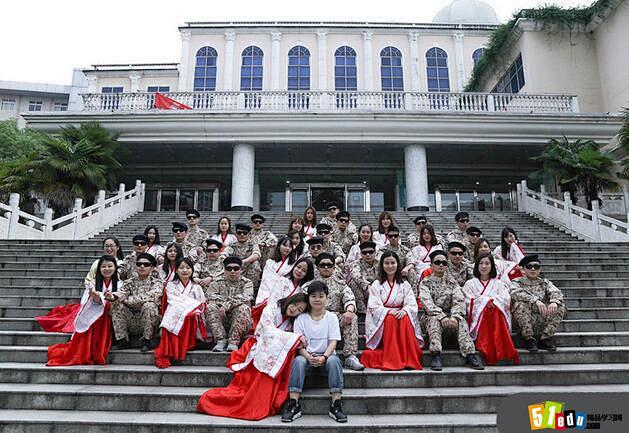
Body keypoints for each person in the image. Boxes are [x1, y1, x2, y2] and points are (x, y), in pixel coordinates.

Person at [197, 291, 308, 420]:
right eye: (295, 305)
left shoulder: (292, 322)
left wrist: (294, 340)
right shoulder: (271, 309)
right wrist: (295, 338)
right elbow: (267, 330)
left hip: (275, 350)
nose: (295, 310)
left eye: (300, 310)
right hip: (260, 344)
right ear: (290, 300)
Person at [282, 281, 347, 423]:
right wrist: (308, 357)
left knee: (335, 360)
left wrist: (324, 357)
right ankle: (294, 403)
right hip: (307, 359)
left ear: (327, 298)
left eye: (321, 296)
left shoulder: (332, 317)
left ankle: (336, 404)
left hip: (326, 359)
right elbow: (299, 345)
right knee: (298, 361)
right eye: (313, 296)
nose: (317, 299)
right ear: (309, 298)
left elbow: (333, 342)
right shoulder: (301, 318)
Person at [37, 237, 123, 333]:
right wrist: (94, 293)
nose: (109, 248)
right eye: (106, 246)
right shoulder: (97, 263)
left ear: (118, 247)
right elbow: (89, 280)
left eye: (111, 246)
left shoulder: (122, 263)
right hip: (98, 295)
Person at [47, 255, 121, 366]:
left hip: (111, 313)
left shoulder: (121, 284)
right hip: (94, 311)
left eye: (110, 266)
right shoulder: (93, 283)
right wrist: (95, 297)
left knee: (103, 313)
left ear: (115, 268)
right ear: (99, 269)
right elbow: (86, 301)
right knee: (92, 318)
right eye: (103, 266)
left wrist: (106, 300)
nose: (106, 269)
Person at [419, 250, 484, 371]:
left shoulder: (453, 282)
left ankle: (470, 354)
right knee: (434, 320)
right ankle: (436, 354)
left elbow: (459, 301)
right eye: (437, 262)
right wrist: (441, 316)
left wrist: (455, 316)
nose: (441, 265)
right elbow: (427, 303)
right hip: (431, 317)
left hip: (451, 316)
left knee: (461, 321)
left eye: (444, 262)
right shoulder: (425, 282)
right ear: (431, 265)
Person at [361, 251, 423, 371]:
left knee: (405, 318)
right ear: (382, 265)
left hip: (400, 314)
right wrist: (388, 312)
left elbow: (411, 303)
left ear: (398, 264)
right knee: (390, 319)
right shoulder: (376, 284)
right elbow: (373, 306)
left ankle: (408, 358)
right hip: (385, 317)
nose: (390, 266)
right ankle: (392, 359)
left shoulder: (405, 284)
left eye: (393, 263)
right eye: (387, 263)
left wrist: (405, 310)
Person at [462, 254, 519, 366]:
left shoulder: (499, 284)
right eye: (481, 263)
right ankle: (487, 347)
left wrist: (491, 303)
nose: (484, 266)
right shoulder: (469, 284)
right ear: (476, 266)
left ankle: (498, 347)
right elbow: (468, 301)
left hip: (496, 315)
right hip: (479, 318)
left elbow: (506, 300)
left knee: (495, 312)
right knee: (488, 312)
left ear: (492, 266)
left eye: (487, 263)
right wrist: (485, 302)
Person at [309, 253, 363, 371]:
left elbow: (349, 297)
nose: (326, 267)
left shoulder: (340, 283)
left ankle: (350, 356)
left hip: (334, 317)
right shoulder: (311, 285)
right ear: (317, 267)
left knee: (352, 317)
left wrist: (349, 310)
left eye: (329, 265)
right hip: (315, 318)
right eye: (322, 265)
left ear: (334, 267)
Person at [154, 257, 207, 368]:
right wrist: (187, 308)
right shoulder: (170, 285)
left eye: (188, 268)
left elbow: (201, 304)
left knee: (188, 315)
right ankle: (171, 349)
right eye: (181, 268)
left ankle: (182, 347)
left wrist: (189, 310)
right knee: (173, 315)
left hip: (191, 317)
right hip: (175, 311)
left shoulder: (197, 287)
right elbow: (173, 301)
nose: (185, 270)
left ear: (192, 270)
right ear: (176, 270)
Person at [510, 254, 566, 352]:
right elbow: (515, 293)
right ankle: (529, 339)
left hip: (542, 318)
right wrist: (535, 300)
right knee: (519, 304)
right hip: (524, 322)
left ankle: (545, 338)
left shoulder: (545, 283)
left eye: (536, 266)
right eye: (529, 266)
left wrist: (554, 302)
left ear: (539, 269)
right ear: (523, 269)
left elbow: (556, 292)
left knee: (559, 305)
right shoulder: (517, 282)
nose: (533, 269)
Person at [110, 253, 163, 352]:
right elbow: (122, 293)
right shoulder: (129, 282)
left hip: (150, 321)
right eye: (139, 264)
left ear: (152, 268)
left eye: (146, 264)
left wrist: (127, 301)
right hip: (132, 319)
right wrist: (113, 297)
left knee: (149, 305)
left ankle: (147, 340)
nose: (142, 266)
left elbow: (149, 297)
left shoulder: (157, 283)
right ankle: (122, 340)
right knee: (117, 305)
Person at [205, 256, 254, 352]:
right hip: (221, 318)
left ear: (241, 270)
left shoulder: (247, 283)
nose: (232, 271)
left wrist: (226, 305)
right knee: (210, 307)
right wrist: (222, 305)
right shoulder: (217, 282)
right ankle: (220, 340)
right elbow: (210, 296)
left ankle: (233, 341)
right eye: (229, 268)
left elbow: (245, 297)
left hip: (240, 321)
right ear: (224, 270)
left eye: (236, 268)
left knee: (243, 308)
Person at [255, 237, 296, 309]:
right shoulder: (270, 262)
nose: (287, 248)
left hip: (284, 293)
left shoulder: (294, 264)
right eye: (285, 245)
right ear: (279, 246)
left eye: (290, 247)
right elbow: (266, 280)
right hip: (268, 291)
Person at [222, 223, 263, 289]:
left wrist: (243, 261)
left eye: (245, 233)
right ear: (236, 234)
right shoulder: (232, 245)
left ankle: (252, 287)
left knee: (256, 264)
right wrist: (223, 256)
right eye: (239, 233)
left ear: (248, 234)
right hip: (234, 269)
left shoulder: (252, 244)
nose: (242, 235)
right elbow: (225, 253)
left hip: (248, 269)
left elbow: (256, 255)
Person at [404, 224, 443, 291]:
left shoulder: (438, 247)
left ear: (432, 234)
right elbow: (413, 261)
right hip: (420, 270)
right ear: (421, 235)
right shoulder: (417, 248)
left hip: (434, 269)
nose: (426, 235)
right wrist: (407, 268)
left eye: (428, 233)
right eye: (424, 234)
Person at [349, 241, 379, 314]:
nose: (368, 255)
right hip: (364, 291)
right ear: (361, 254)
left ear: (375, 252)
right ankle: (362, 312)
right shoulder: (356, 263)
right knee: (353, 283)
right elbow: (355, 275)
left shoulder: (380, 263)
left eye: (371, 252)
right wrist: (367, 286)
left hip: (377, 290)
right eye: (364, 253)